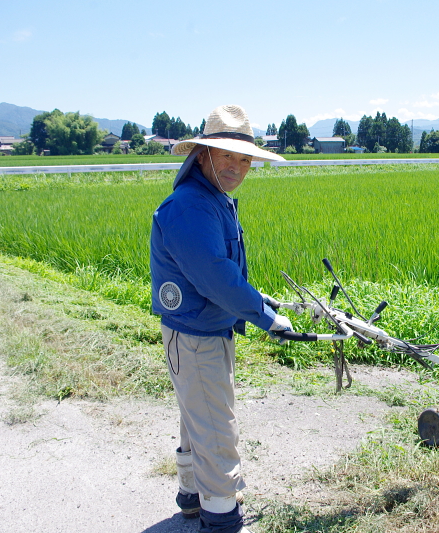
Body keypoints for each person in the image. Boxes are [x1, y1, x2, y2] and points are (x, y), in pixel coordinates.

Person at [150, 104, 292, 533]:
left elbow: (220, 270)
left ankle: (192, 496)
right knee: (215, 428)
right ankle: (221, 518)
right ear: (203, 155)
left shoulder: (212, 199)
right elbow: (215, 276)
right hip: (197, 336)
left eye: (245, 158)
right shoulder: (192, 207)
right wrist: (267, 317)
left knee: (198, 417)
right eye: (227, 155)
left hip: (200, 328)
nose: (237, 166)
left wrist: (257, 298)